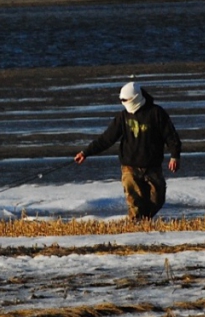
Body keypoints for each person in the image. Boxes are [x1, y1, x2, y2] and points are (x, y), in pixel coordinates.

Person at [74, 81, 182, 219]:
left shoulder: (156, 113)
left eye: (126, 99)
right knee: (135, 203)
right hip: (129, 167)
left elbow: (171, 136)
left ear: (136, 97)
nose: (124, 102)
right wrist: (85, 153)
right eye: (122, 100)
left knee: (157, 200)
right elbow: (106, 138)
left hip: (152, 166)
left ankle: (144, 221)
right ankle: (135, 228)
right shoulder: (122, 117)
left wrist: (175, 156)